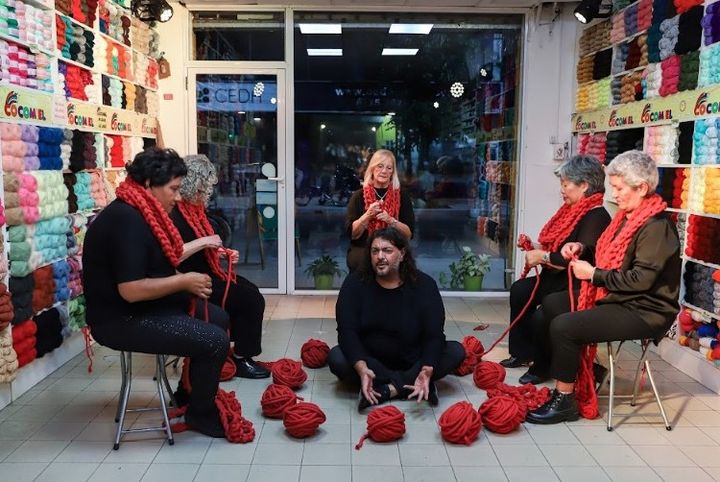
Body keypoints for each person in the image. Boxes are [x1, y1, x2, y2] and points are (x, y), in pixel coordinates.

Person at [83, 148, 230, 438]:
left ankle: (190, 395)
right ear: (149, 184)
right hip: (121, 320)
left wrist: (183, 279)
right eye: (174, 189)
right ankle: (201, 414)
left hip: (141, 310)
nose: (178, 197)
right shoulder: (128, 220)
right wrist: (184, 281)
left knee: (218, 318)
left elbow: (154, 267)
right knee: (213, 340)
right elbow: (131, 290)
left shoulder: (140, 211)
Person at [526, 150, 681, 425]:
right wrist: (583, 249)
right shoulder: (627, 218)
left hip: (645, 309)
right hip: (622, 298)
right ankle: (585, 371)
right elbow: (609, 253)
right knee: (553, 304)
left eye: (620, 188)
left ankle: (565, 400)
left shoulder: (656, 227)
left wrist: (594, 275)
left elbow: (640, 280)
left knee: (565, 326)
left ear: (642, 188)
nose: (615, 194)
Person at [328, 228, 465, 411]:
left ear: (402, 254)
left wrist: (426, 369)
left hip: (413, 359)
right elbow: (346, 331)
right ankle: (408, 385)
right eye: (375, 251)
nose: (380, 256)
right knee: (337, 358)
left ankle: (387, 390)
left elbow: (434, 335)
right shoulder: (355, 284)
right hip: (371, 361)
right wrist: (361, 367)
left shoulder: (424, 285)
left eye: (387, 250)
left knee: (455, 351)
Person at [501, 156, 611, 385]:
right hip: (560, 276)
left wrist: (541, 256)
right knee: (521, 290)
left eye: (566, 184)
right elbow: (558, 248)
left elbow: (574, 256)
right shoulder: (572, 211)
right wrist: (538, 248)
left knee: (547, 309)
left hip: (578, 283)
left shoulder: (597, 216)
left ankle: (543, 366)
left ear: (584, 185)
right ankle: (523, 352)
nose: (562, 189)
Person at [170, 154, 270, 379]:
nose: (206, 193)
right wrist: (204, 242)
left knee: (250, 291)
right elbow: (171, 256)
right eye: (203, 188)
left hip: (205, 273)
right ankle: (241, 357)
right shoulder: (173, 214)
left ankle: (236, 352)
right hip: (188, 281)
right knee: (248, 299)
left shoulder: (195, 212)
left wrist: (222, 254)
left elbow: (203, 250)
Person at [345, 149, 415, 271]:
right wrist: (368, 215)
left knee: (396, 260)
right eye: (380, 166)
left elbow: (408, 235)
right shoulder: (358, 196)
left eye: (389, 168)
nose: (384, 171)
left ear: (393, 172)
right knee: (362, 260)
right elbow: (352, 234)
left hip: (393, 249)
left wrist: (391, 220)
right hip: (364, 250)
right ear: (372, 168)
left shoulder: (402, 197)